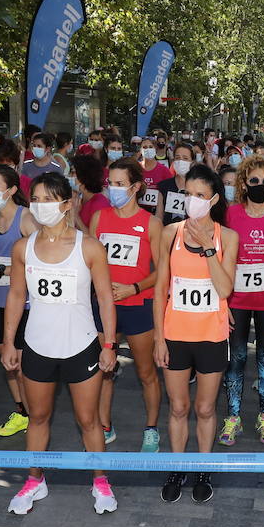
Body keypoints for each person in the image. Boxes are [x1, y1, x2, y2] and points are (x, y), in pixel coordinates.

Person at [1, 173, 119, 515]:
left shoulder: (90, 247)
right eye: (35, 199)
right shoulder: (23, 248)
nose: (40, 206)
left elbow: (105, 299)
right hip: (37, 345)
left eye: (48, 200)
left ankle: (100, 481)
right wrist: (10, 342)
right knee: (37, 417)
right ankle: (34, 480)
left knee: (89, 420)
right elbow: (16, 295)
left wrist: (109, 343)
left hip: (82, 345)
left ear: (67, 204)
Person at [153, 165, 238, 503]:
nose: (192, 200)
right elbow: (160, 289)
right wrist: (159, 337)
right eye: (188, 193)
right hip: (175, 333)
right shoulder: (169, 233)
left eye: (200, 195)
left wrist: (207, 248)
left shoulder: (227, 237)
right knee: (177, 407)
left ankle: (203, 466)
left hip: (211, 335)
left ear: (214, 199)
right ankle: (177, 465)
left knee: (204, 408)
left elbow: (224, 288)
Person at [218, 156, 264, 446]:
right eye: (253, 181)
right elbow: (221, 258)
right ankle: (233, 416)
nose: (260, 186)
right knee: (235, 359)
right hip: (236, 299)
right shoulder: (230, 215)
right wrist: (222, 302)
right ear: (243, 184)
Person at [92, 158, 164, 453]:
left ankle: (151, 428)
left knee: (146, 373)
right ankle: (104, 426)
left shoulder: (152, 223)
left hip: (137, 305)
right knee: (104, 369)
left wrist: (134, 287)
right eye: (111, 183)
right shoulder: (99, 218)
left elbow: (162, 272)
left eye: (120, 184)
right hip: (103, 306)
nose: (114, 189)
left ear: (136, 187)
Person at [0, 165, 35, 438]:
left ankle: (36, 414)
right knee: (7, 360)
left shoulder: (26, 219)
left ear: (12, 190)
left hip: (23, 302)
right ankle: (22, 411)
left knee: (22, 362)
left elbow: (38, 263)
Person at [157, 144, 199, 225]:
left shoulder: (199, 188)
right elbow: (159, 215)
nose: (181, 161)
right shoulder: (164, 186)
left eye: (185, 158)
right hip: (167, 233)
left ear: (192, 162)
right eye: (177, 158)